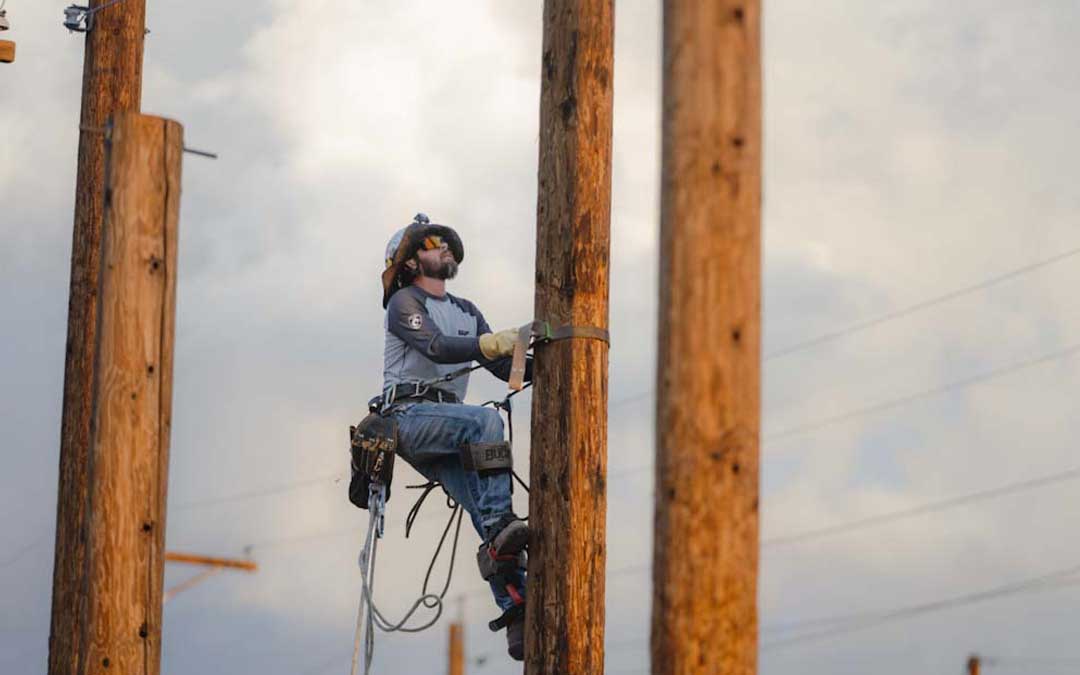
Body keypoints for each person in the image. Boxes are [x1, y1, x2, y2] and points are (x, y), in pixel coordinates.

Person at [378, 213, 530, 661]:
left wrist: (548, 347)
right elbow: (438, 348)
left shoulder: (467, 311)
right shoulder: (403, 302)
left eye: (445, 242)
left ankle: (516, 610)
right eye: (429, 243)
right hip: (409, 418)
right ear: (409, 263)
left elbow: (505, 369)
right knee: (484, 423)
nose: (441, 247)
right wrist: (491, 344)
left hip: (447, 426)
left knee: (484, 512)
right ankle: (504, 526)